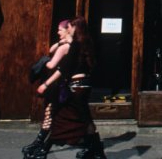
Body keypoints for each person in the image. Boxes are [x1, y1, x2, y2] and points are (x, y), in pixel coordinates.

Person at [37, 16, 105, 159]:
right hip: (85, 85)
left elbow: (64, 68)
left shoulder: (75, 45)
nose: (68, 29)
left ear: (75, 28)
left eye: (70, 27)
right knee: (85, 118)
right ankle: (96, 150)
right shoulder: (87, 43)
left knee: (64, 116)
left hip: (76, 86)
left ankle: (46, 146)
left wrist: (45, 84)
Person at [23, 20, 71, 159]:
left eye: (60, 30)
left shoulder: (68, 47)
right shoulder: (64, 44)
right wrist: (61, 42)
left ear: (68, 29)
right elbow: (51, 49)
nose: (57, 32)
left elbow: (51, 64)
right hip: (56, 84)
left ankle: (41, 145)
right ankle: (40, 143)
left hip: (58, 84)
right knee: (50, 113)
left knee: (53, 115)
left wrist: (45, 80)